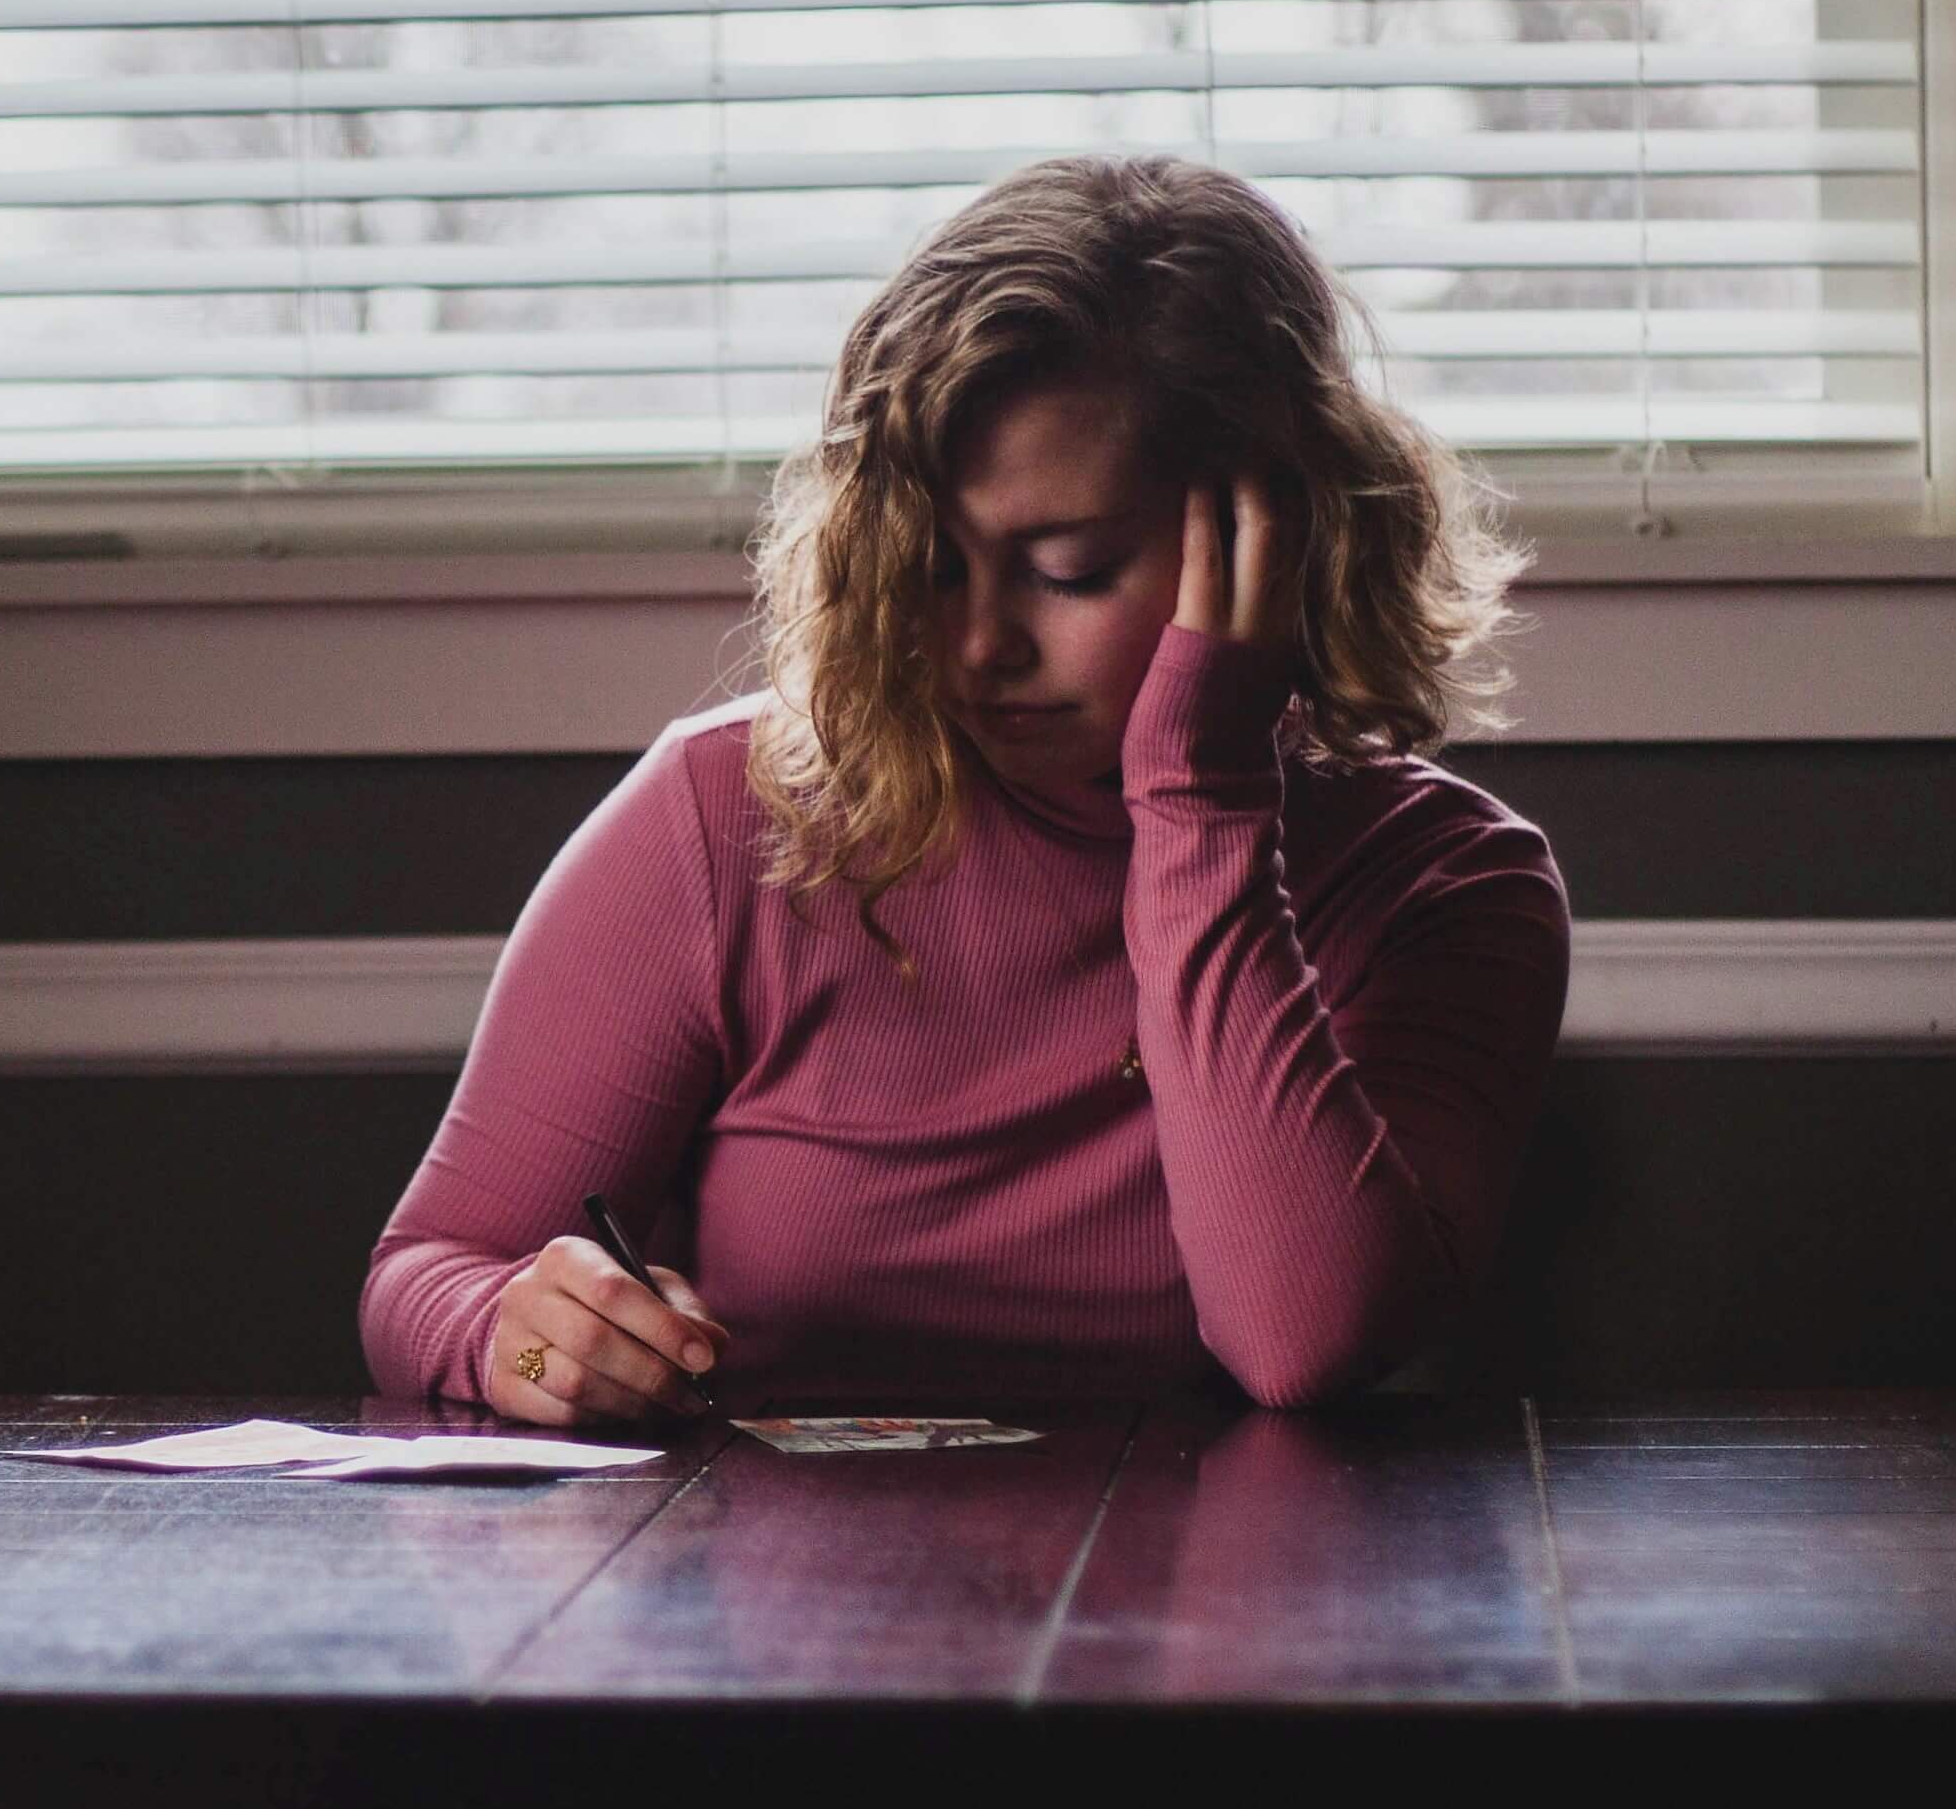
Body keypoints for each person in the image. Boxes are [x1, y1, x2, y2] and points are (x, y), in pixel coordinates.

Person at [358, 153, 1570, 1419]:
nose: (980, 642)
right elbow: (421, 1274)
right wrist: (515, 1332)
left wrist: (1201, 803)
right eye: (933, 566)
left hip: (1208, 1602)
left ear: (1276, 538)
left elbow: (1303, 1340)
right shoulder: (725, 818)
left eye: (1067, 570)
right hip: (763, 1599)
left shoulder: (1443, 883)